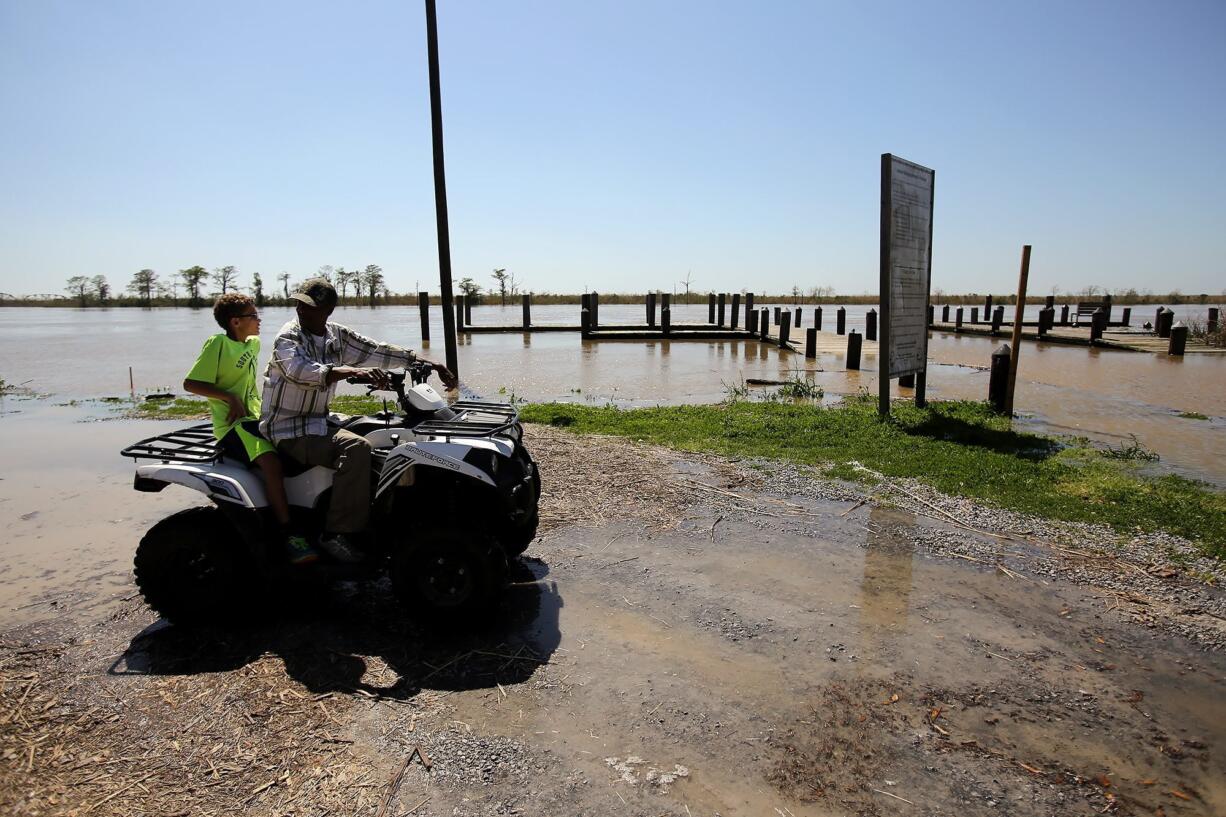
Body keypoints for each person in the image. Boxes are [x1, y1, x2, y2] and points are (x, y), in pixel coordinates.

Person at [259, 278, 456, 562]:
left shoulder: (335, 336)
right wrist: (348, 372)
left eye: (310, 306)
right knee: (356, 448)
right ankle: (337, 533)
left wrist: (427, 363)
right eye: (300, 303)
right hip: (288, 428)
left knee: (383, 430)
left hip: (320, 419)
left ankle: (381, 515)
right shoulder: (288, 338)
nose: (301, 309)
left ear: (328, 310)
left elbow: (376, 351)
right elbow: (300, 371)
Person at [184, 293, 318, 565]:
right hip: (234, 424)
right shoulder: (218, 344)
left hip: (257, 417)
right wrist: (230, 398)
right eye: (253, 316)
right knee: (270, 463)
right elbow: (191, 384)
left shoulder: (254, 344)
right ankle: (288, 533)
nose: (259, 320)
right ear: (235, 322)